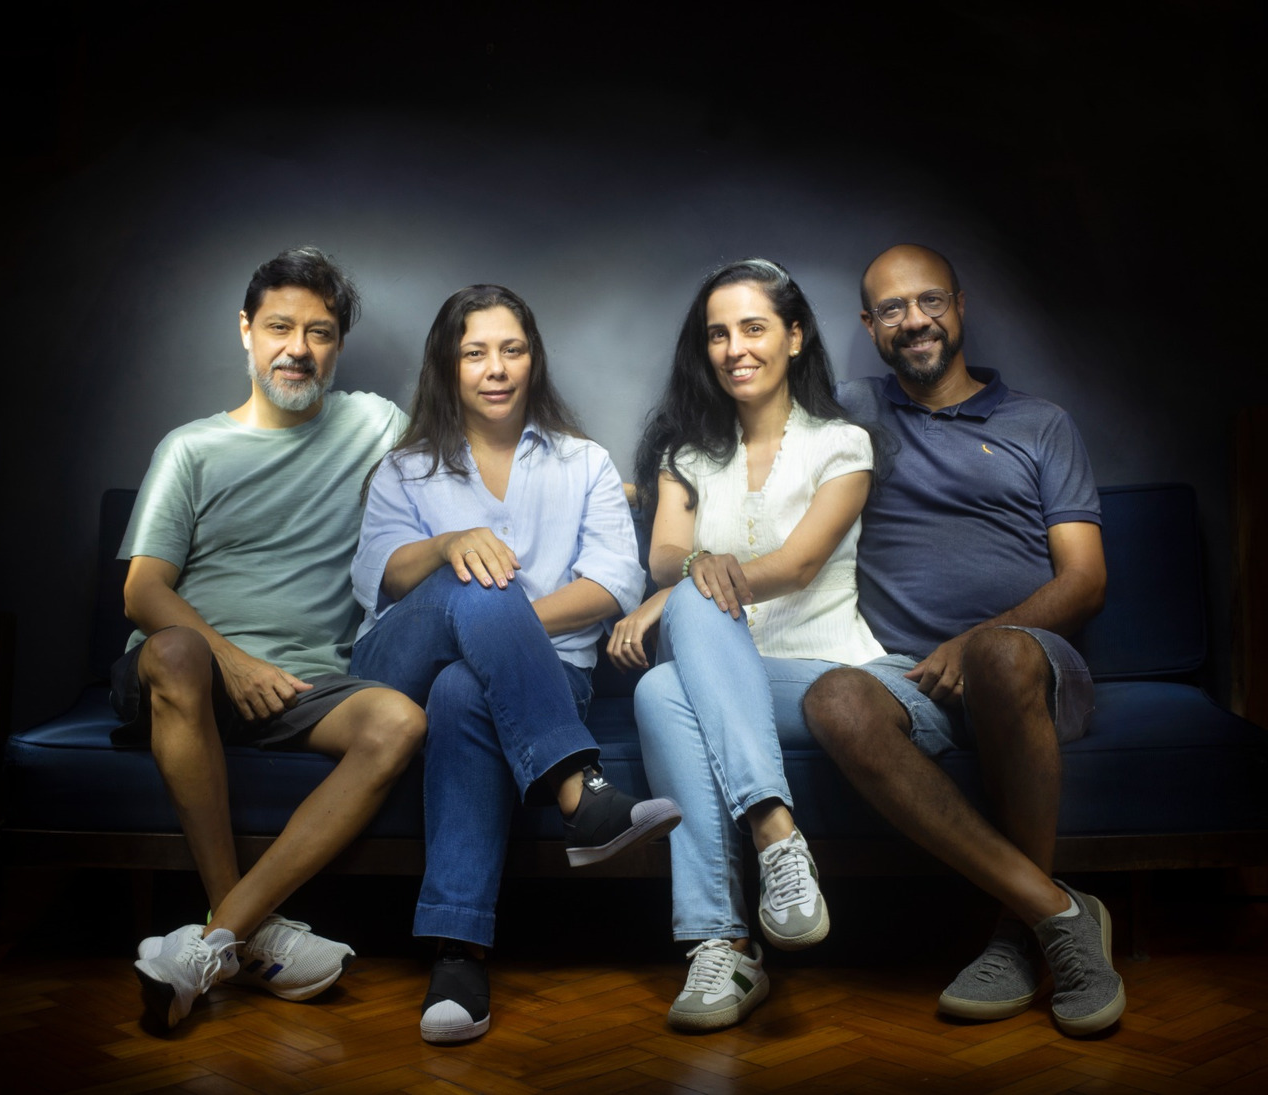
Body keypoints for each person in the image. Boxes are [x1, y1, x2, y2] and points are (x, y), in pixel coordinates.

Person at [802, 243, 1123, 1036]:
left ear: (959, 305)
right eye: (893, 308)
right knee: (833, 698)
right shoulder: (847, 417)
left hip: (1030, 663)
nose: (915, 321)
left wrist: (976, 639)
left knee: (996, 652)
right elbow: (735, 442)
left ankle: (1014, 935)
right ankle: (1057, 911)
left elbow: (1085, 579)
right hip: (905, 674)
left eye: (930, 301)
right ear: (869, 325)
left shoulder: (1040, 423)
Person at [349, 284, 681, 1045]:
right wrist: (444, 547)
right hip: (399, 661)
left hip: (539, 675)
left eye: (512, 349)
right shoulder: (405, 467)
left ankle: (458, 956)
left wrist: (498, 623)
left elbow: (615, 584)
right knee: (472, 581)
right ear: (448, 364)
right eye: (475, 352)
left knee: (470, 681)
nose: (496, 368)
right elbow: (379, 577)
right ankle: (580, 789)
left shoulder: (585, 463)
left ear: (533, 360)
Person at [115, 246, 427, 1032]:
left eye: (319, 332)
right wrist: (232, 657)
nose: (298, 347)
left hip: (306, 683)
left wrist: (599, 482)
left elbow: (470, 466)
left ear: (338, 346)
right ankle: (245, 924)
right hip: (182, 668)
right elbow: (143, 590)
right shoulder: (191, 447)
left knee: (400, 720)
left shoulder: (375, 424)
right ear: (246, 332)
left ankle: (221, 936)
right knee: (180, 651)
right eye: (281, 326)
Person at [612, 258, 883, 1031]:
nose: (735, 347)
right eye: (718, 334)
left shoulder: (842, 444)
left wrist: (682, 589)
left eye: (755, 328)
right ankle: (749, 898)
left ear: (794, 337)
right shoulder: (688, 454)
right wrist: (686, 576)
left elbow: (797, 567)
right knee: (659, 684)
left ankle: (733, 906)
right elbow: (666, 553)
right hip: (717, 676)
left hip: (824, 674)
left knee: (691, 613)